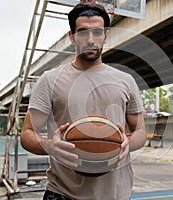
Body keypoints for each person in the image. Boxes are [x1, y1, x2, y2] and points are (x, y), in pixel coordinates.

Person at [21, 2, 146, 200]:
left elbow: (140, 132)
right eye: (82, 32)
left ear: (106, 35)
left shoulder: (126, 80)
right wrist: (49, 147)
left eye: (97, 32)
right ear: (72, 37)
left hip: (116, 195)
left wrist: (127, 144)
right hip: (62, 193)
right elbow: (27, 133)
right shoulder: (50, 80)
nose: (90, 39)